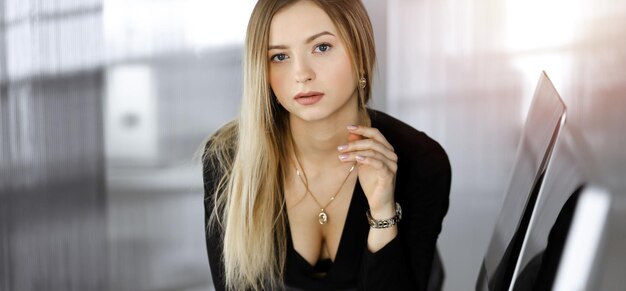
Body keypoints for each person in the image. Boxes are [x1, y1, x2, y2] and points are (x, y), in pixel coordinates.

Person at [202, 0, 451, 290]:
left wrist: (383, 212)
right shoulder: (228, 157)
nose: (301, 73)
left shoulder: (421, 162)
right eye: (280, 56)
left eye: (321, 47)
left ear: (359, 49)